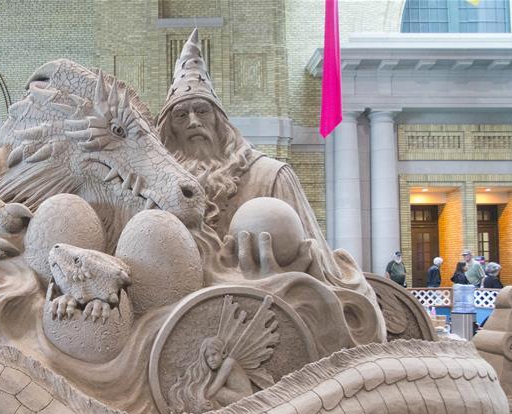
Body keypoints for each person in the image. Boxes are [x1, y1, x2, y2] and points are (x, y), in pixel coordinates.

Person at [157, 28, 369, 294]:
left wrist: (284, 276)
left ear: (220, 122)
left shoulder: (271, 176)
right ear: (170, 130)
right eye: (180, 115)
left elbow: (319, 265)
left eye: (202, 110)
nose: (193, 121)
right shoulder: (156, 191)